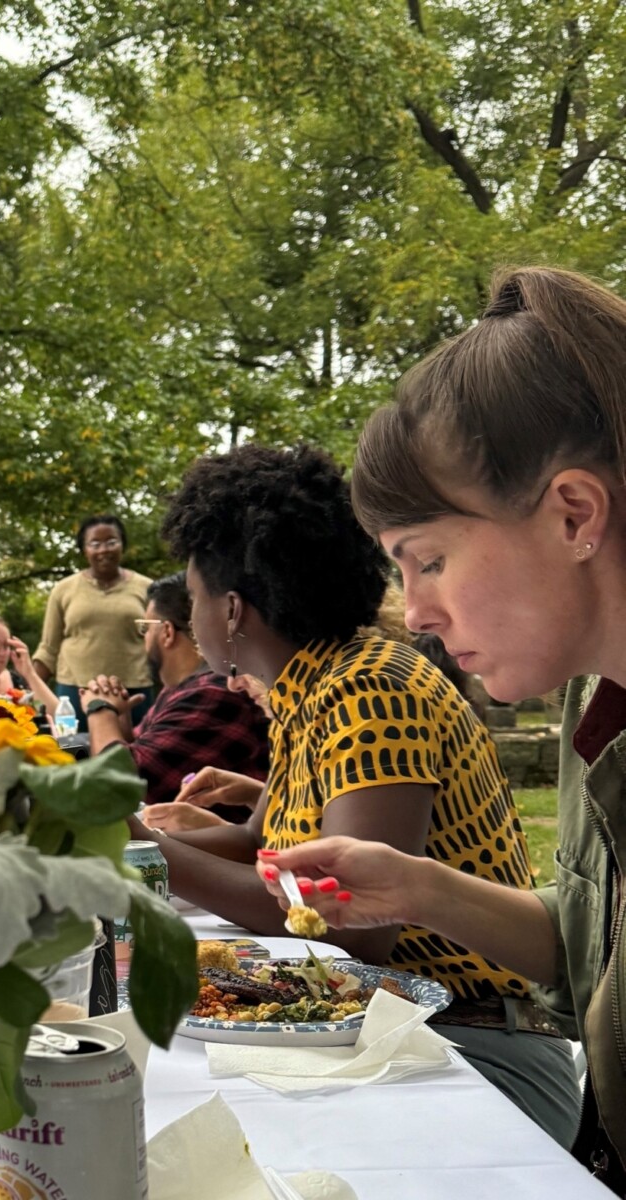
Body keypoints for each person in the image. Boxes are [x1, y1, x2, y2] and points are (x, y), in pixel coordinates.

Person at [259, 266, 626, 1186]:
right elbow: (584, 950)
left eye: (427, 560)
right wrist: (416, 889)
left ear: (573, 514)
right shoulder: (596, 703)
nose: (412, 611)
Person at [133, 441, 578, 1146]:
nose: (189, 619)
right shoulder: (308, 690)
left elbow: (350, 925)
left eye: (191, 599)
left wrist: (142, 849)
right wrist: (127, 842)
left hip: (469, 1039)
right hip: (389, 1032)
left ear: (231, 609)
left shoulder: (367, 687)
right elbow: (256, 843)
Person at [80, 571, 267, 813]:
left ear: (167, 632)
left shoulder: (214, 693)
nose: (143, 639)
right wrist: (120, 723)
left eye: (145, 628)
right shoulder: (181, 690)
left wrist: (100, 709)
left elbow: (121, 785)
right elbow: (145, 752)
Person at [33, 513, 153, 715]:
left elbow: (160, 643)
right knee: (74, 747)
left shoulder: (147, 588)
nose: (104, 549)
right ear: (84, 550)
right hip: (75, 691)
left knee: (136, 747)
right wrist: (27, 691)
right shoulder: (63, 589)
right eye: (95, 544)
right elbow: (48, 648)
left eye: (111, 542)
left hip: (133, 691)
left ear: (123, 544)